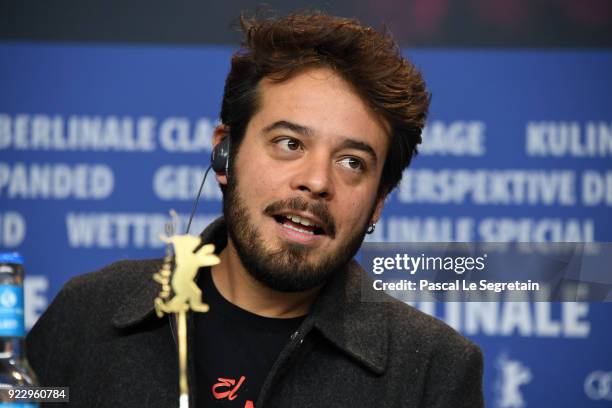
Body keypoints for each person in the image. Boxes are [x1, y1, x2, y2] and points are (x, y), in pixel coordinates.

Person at [26, 12, 484, 408]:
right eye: (289, 143)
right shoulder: (84, 314)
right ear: (225, 154)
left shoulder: (435, 371)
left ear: (377, 203)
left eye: (352, 163)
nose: (317, 182)